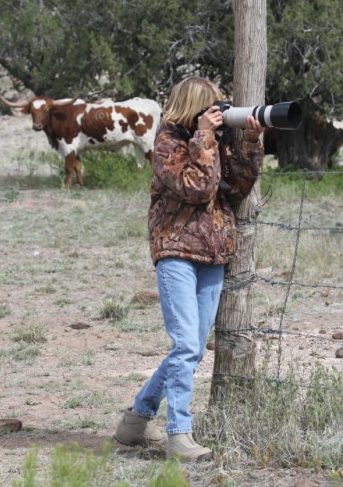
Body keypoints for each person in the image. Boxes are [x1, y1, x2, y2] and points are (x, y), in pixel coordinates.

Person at [113, 76, 264, 462]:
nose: (218, 112)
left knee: (191, 350)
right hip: (176, 251)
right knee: (186, 347)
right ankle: (179, 433)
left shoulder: (214, 141)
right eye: (211, 105)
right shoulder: (167, 143)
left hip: (212, 255)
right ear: (193, 107)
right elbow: (195, 187)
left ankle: (135, 420)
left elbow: (237, 188)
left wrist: (248, 142)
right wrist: (203, 138)